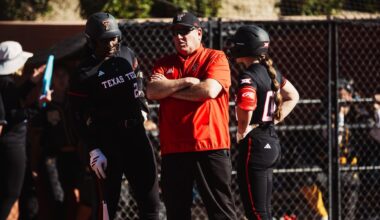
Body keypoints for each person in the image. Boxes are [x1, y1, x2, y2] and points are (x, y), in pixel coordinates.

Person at [67, 12, 160, 220]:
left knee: (151, 203)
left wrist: (143, 108)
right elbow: (75, 116)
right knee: (106, 208)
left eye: (114, 38)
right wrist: (92, 148)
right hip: (107, 142)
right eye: (104, 40)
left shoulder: (127, 54)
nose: (111, 44)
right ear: (91, 41)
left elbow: (138, 84)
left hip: (136, 137)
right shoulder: (83, 72)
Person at [146, 12, 237, 220]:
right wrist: (187, 80)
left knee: (221, 212)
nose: (179, 37)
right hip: (174, 149)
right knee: (176, 212)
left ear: (198, 33)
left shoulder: (216, 57)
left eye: (185, 32)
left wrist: (169, 91)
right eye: (175, 33)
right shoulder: (164, 63)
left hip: (209, 145)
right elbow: (151, 91)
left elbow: (208, 91)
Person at [228, 24, 299, 220]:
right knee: (264, 211)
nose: (233, 46)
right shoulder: (272, 72)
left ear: (248, 46)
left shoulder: (248, 75)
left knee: (256, 213)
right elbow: (293, 95)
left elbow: (246, 105)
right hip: (271, 140)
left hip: (256, 146)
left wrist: (243, 130)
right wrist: (274, 119)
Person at [0, 41, 50, 219]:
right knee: (10, 194)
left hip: (12, 145)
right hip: (12, 146)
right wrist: (39, 105)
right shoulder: (6, 83)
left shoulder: (5, 82)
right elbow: (15, 115)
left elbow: (12, 102)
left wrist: (31, 82)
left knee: (23, 190)